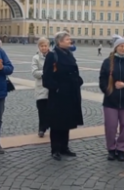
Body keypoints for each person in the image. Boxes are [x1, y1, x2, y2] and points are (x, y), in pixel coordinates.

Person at [42, 31, 84, 161]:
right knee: (56, 123)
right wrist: (57, 88)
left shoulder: (69, 54)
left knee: (67, 121)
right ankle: (55, 149)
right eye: (67, 39)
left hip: (71, 93)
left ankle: (64, 147)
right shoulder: (52, 55)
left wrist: (78, 81)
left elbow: (74, 72)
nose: (70, 41)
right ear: (59, 42)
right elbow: (47, 77)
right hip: (58, 95)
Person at [99, 36, 124, 161]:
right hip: (111, 101)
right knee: (110, 127)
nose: (123, 48)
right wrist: (109, 91)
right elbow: (102, 80)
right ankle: (111, 149)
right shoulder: (107, 62)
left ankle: (121, 149)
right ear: (116, 48)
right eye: (121, 46)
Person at [32, 37, 50, 138]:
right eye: (42, 46)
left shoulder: (52, 56)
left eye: (45, 46)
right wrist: (47, 73)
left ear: (48, 46)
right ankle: (41, 128)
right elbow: (34, 73)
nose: (44, 48)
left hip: (51, 88)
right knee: (41, 109)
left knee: (51, 110)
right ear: (39, 47)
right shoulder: (36, 58)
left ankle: (50, 126)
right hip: (41, 87)